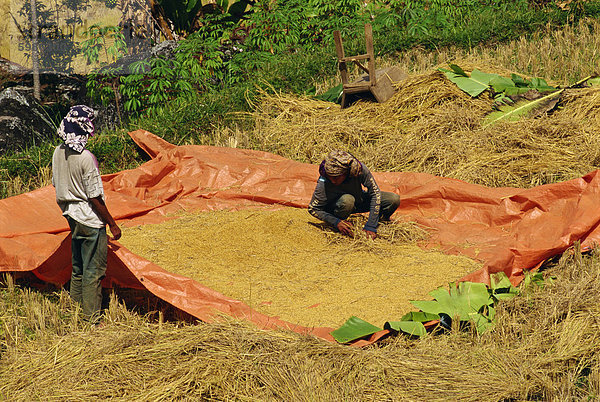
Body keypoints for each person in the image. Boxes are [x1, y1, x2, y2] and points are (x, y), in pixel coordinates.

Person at [51, 105, 121, 325]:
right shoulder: (85, 158)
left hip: (70, 214)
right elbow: (94, 197)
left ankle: (75, 307)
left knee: (79, 264)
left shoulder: (58, 151)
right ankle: (91, 318)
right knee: (94, 269)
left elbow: (56, 183)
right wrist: (112, 224)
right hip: (89, 218)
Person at [308, 150, 400, 239]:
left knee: (393, 199)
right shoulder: (324, 179)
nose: (332, 181)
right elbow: (313, 208)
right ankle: (342, 225)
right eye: (330, 177)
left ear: (346, 173)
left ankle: (381, 221)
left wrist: (371, 225)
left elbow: (375, 193)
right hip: (338, 207)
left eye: (336, 177)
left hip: (358, 200)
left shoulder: (359, 170)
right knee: (348, 200)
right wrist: (336, 222)